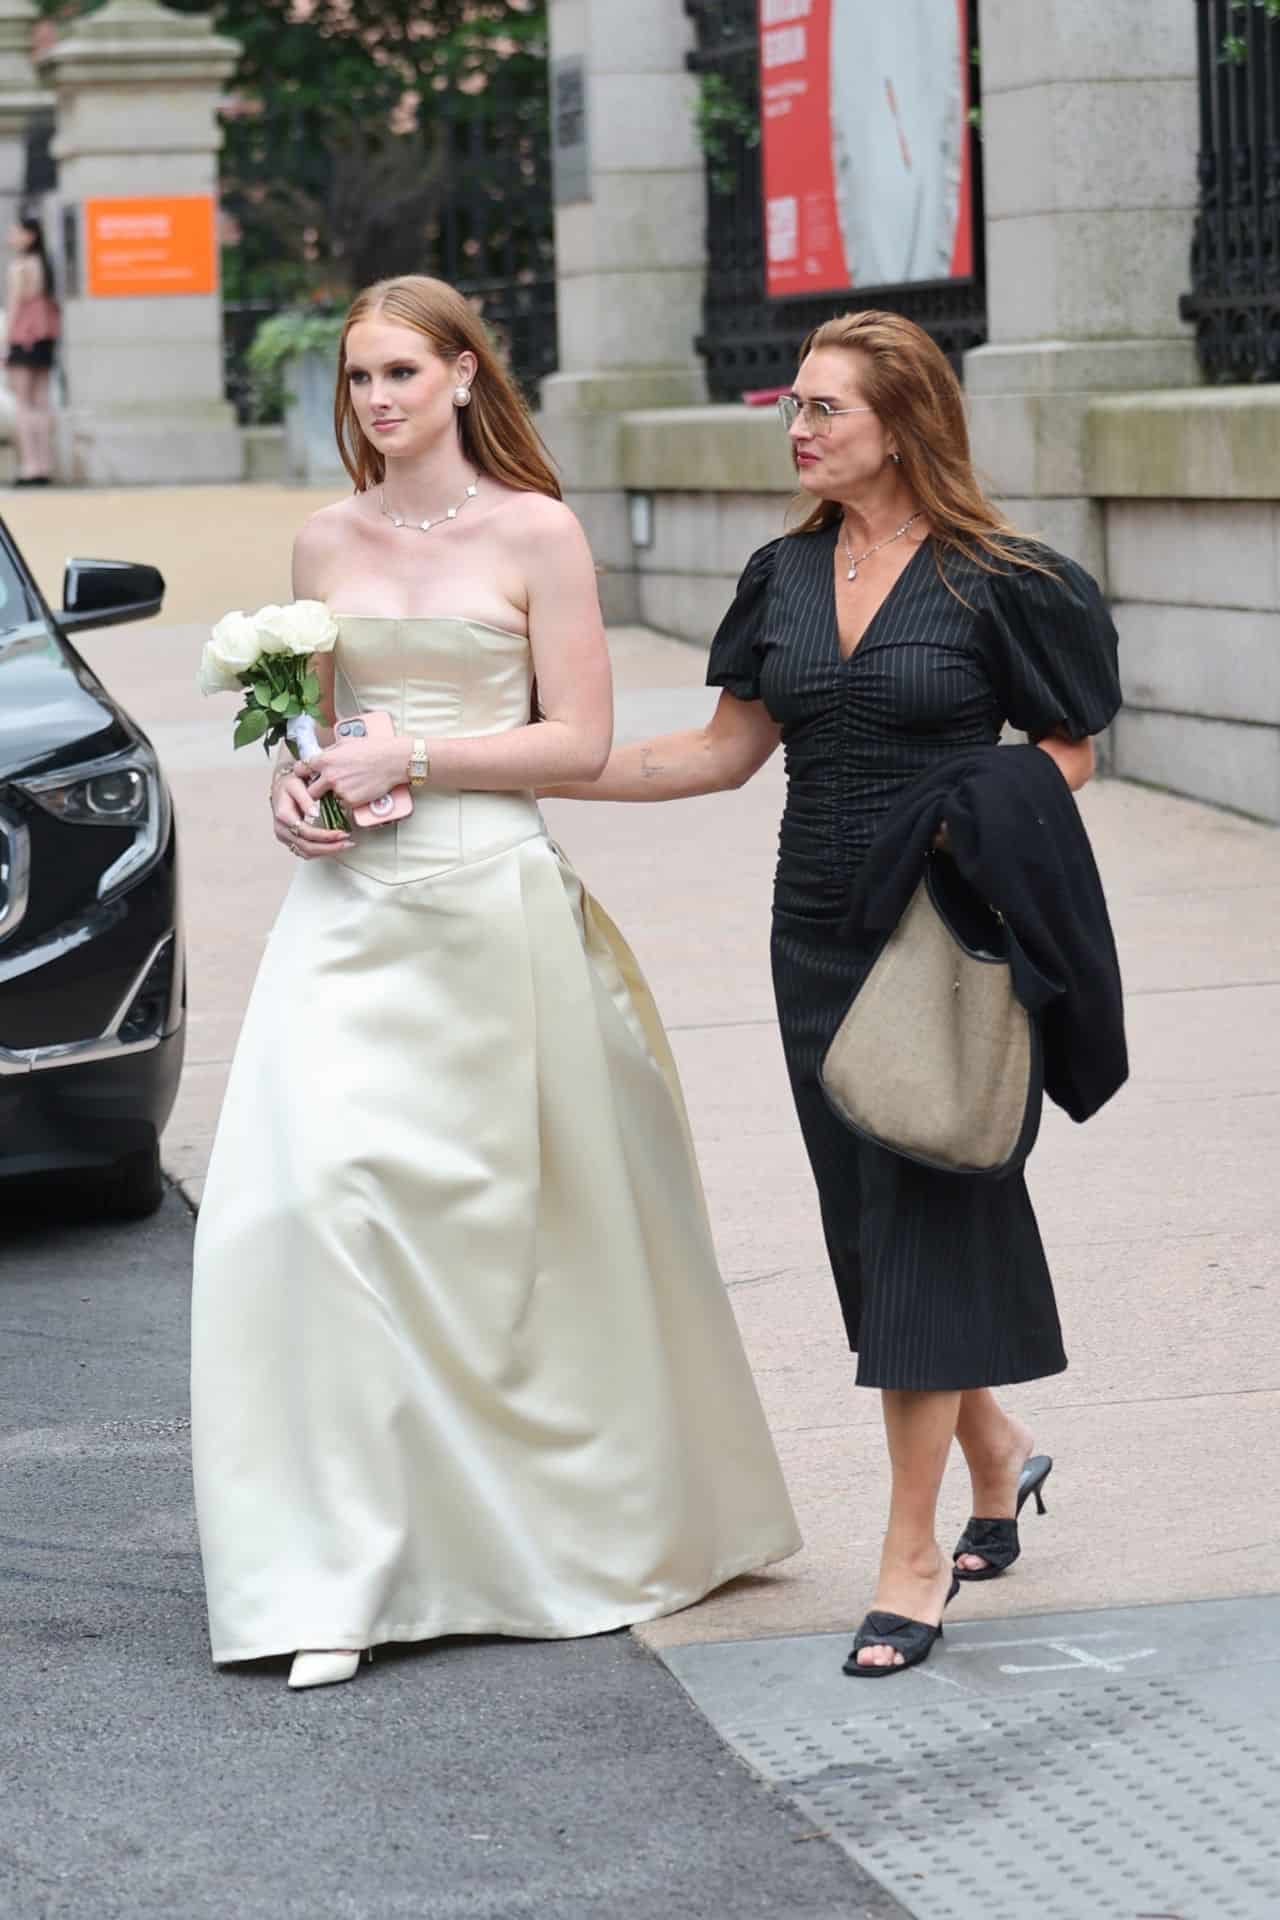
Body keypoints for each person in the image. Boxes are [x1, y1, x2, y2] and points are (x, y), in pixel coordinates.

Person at [189, 274, 800, 1691]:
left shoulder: (539, 533)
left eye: (403, 371)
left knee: (511, 1242)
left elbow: (579, 743)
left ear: (466, 376)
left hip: (490, 903)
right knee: (301, 1209)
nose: (380, 399)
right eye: (359, 380)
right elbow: (324, 740)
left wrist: (417, 758)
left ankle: (536, 1536)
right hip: (347, 913)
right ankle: (331, 1568)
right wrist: (305, 799)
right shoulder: (321, 538)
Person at [544, 310, 1123, 1676]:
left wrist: (973, 814)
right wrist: (526, 769)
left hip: (945, 941)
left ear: (904, 424)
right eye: (793, 407)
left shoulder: (1003, 581)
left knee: (922, 1212)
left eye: (825, 410)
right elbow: (720, 752)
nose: (798, 431)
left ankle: (912, 1556)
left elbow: (1068, 754)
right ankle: (1000, 1450)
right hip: (814, 939)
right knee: (867, 1233)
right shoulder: (784, 576)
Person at [5, 214, 59, 487]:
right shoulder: (45, 266)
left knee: (24, 404)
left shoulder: (20, 267)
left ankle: (30, 466)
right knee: (41, 401)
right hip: (45, 338)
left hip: (23, 338)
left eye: (15, 233)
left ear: (30, 236)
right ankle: (45, 464)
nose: (10, 238)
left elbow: (15, 307)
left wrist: (5, 343)